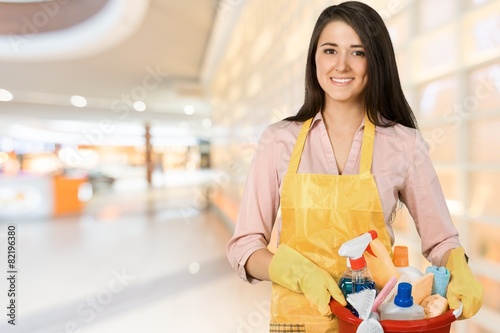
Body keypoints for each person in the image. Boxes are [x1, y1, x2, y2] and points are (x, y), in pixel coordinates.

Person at [226, 2, 483, 332]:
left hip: (375, 321)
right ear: (314, 59)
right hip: (298, 323)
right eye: (330, 50)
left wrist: (458, 267)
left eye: (357, 52)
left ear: (375, 61)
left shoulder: (404, 144)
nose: (341, 65)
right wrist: (296, 272)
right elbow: (244, 248)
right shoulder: (278, 141)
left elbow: (441, 241)